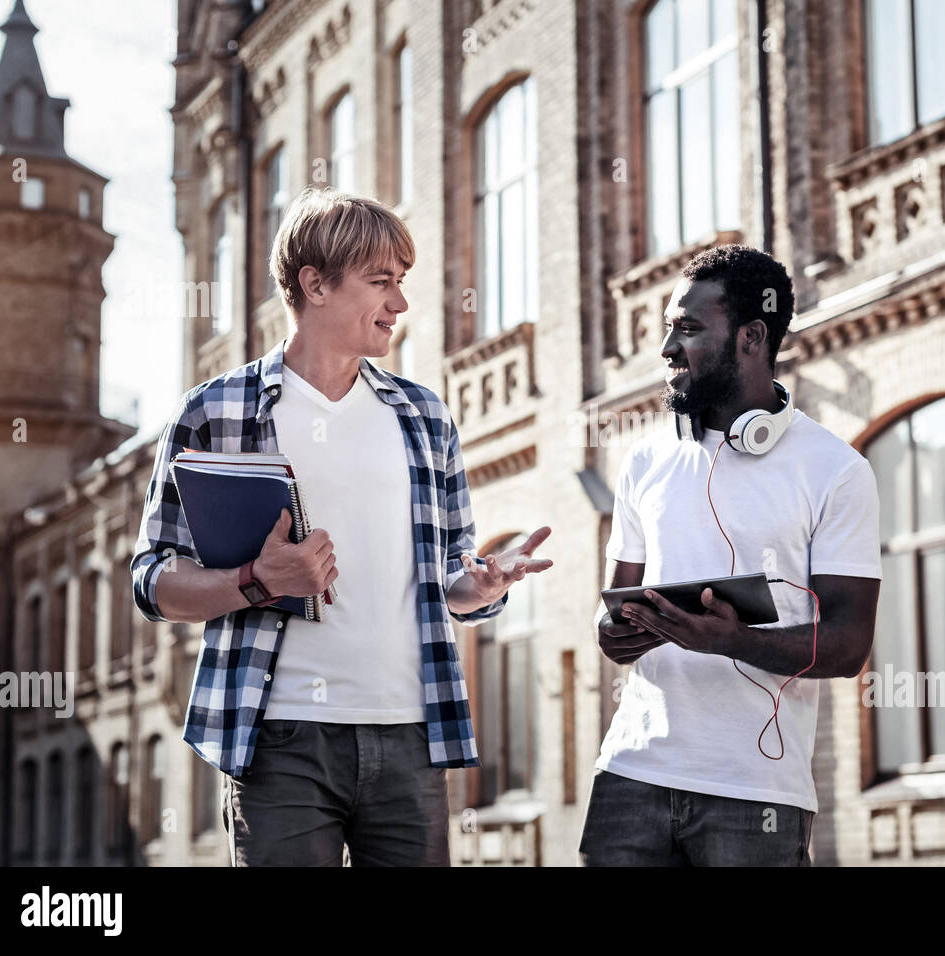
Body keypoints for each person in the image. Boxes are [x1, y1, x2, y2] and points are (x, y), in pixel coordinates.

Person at [131, 186, 551, 866]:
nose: (400, 303)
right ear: (314, 284)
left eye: (401, 282)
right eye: (381, 281)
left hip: (412, 734)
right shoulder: (215, 410)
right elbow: (153, 580)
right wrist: (254, 581)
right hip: (281, 739)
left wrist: (480, 587)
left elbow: (450, 573)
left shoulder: (423, 416)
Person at [580, 244, 881, 866]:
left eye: (688, 329)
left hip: (756, 793)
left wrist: (727, 640)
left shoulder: (836, 471)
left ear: (751, 336)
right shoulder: (643, 462)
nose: (667, 349)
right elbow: (610, 622)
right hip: (630, 775)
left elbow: (848, 646)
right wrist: (620, 633)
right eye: (669, 327)